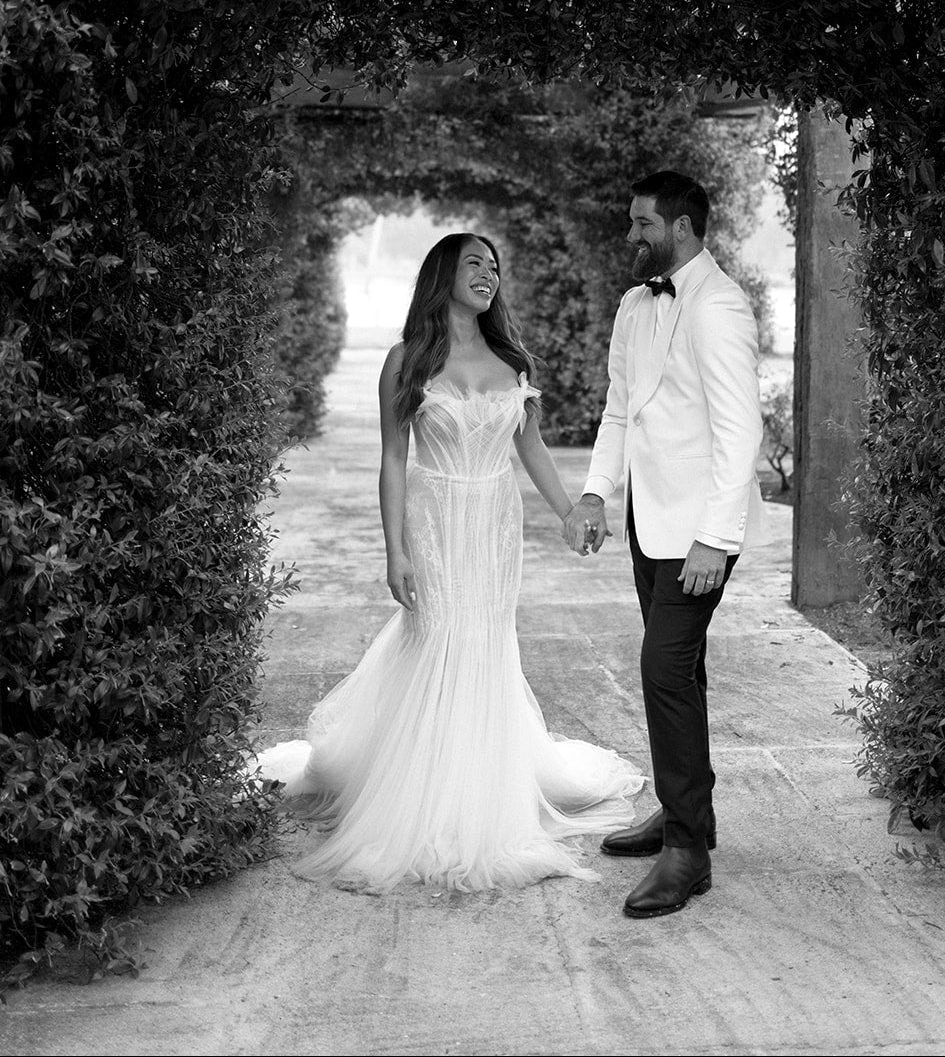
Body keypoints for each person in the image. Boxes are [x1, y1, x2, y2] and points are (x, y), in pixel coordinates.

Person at [257, 232, 642, 893]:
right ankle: (419, 798)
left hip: (494, 526)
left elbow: (533, 451)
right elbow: (391, 459)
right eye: (473, 263)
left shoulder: (510, 361)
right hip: (433, 519)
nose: (487, 274)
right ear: (443, 274)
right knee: (436, 640)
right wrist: (395, 549)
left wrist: (569, 511)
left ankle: (480, 792)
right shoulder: (405, 360)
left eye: (494, 266)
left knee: (484, 648)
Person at [562, 170, 766, 919]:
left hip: (699, 532)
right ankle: (688, 817)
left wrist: (714, 539)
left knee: (662, 669)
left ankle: (687, 850)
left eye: (640, 223)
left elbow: (740, 430)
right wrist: (594, 491)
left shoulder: (717, 306)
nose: (630, 236)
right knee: (678, 673)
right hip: (652, 522)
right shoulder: (632, 305)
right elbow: (621, 408)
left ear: (680, 227)